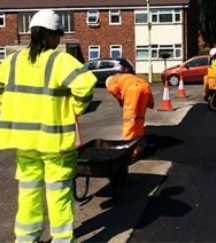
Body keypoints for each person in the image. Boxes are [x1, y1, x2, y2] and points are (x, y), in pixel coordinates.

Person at [0, 9, 97, 242]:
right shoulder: (59, 60)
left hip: (24, 142)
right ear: (52, 36)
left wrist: (8, 106)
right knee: (58, 192)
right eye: (58, 36)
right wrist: (74, 108)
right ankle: (62, 240)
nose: (59, 40)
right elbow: (85, 85)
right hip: (54, 142)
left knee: (28, 191)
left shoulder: (12, 61)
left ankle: (26, 238)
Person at [105, 73, 154, 159]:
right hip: (145, 87)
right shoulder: (123, 77)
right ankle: (138, 142)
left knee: (129, 119)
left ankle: (127, 148)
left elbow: (115, 92)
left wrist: (121, 102)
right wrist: (150, 102)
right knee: (139, 117)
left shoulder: (110, 83)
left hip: (133, 90)